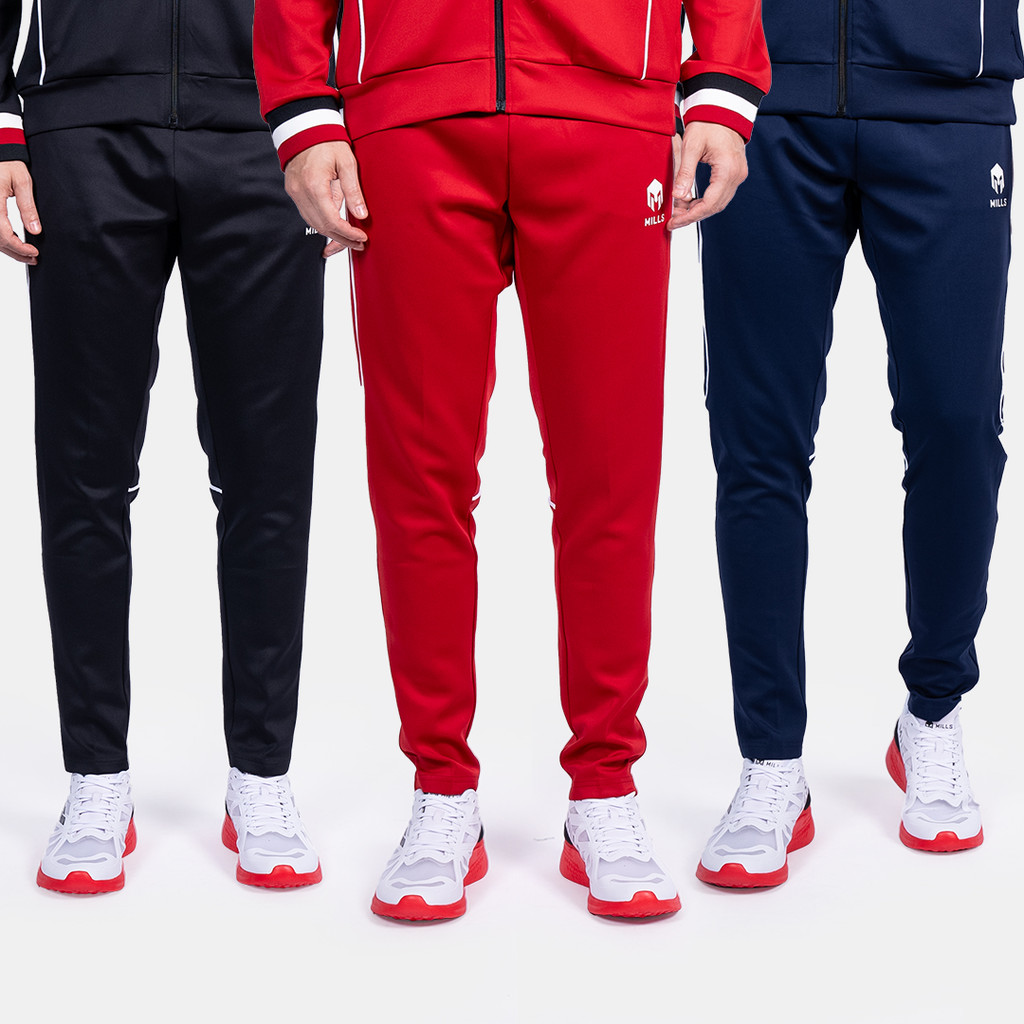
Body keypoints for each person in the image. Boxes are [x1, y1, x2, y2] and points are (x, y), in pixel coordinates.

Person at [253, 0, 769, 919]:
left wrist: (724, 90)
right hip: (407, 120)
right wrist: (304, 111)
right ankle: (441, 790)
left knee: (610, 475)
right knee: (420, 476)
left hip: (608, 109)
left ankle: (604, 788)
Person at [692, 1, 1021, 887]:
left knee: (959, 424)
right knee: (757, 439)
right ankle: (771, 760)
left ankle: (933, 711)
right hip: (764, 100)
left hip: (950, 97)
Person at [0, 0, 326, 893]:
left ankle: (261, 775)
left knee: (267, 475)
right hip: (81, 129)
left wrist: (332, 116)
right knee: (84, 472)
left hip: (268, 128)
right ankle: (95, 778)